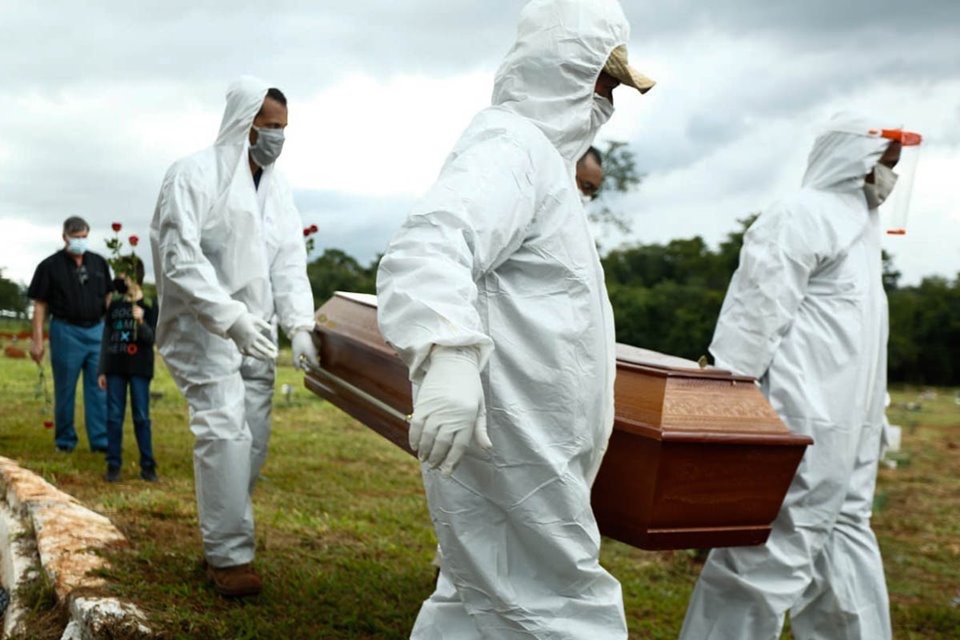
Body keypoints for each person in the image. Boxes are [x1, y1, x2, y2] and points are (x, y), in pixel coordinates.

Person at [376, 1, 655, 636]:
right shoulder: (514, 145)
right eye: (602, 82)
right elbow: (428, 245)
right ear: (565, 68)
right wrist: (446, 354)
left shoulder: (545, 163)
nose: (608, 101)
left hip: (531, 436)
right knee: (562, 610)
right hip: (513, 434)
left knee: (480, 601)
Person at [679, 113, 920, 640]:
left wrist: (874, 424)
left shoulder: (861, 234)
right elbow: (751, 320)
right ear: (853, 159)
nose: (891, 178)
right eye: (885, 164)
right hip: (795, 423)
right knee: (765, 558)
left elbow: (861, 346)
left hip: (850, 435)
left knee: (843, 545)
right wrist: (723, 410)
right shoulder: (799, 216)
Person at [150, 77, 318, 598]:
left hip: (259, 331)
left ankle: (224, 528)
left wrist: (302, 326)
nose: (277, 139)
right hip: (205, 328)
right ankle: (228, 557)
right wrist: (228, 317)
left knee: (254, 439)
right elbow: (181, 257)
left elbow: (289, 260)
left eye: (283, 130)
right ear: (246, 124)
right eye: (270, 128)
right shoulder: (194, 174)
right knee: (224, 428)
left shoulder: (277, 187)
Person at [28, 216, 112, 453]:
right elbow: (40, 305)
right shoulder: (49, 266)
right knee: (65, 388)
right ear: (64, 237)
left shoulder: (98, 263)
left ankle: (101, 441)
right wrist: (37, 340)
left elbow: (108, 295)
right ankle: (65, 441)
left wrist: (107, 326)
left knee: (99, 387)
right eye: (75, 237)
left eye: (84, 237)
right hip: (66, 331)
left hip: (96, 330)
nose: (80, 241)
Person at [97, 256, 158, 483]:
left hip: (140, 368)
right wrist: (102, 369)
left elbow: (152, 338)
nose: (118, 280)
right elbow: (106, 338)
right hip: (115, 367)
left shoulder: (150, 306)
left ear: (132, 277)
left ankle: (148, 465)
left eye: (121, 274)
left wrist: (141, 322)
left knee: (141, 416)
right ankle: (113, 464)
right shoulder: (114, 305)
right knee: (114, 416)